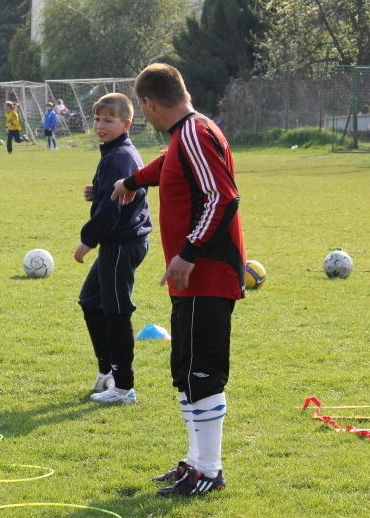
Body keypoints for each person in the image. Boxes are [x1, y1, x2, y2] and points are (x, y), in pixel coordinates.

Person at [111, 63, 246, 496]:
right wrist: (132, 180)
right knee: (186, 373)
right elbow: (169, 165)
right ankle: (195, 462)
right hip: (191, 278)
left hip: (206, 273)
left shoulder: (194, 133)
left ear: (149, 104)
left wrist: (188, 253)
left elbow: (222, 198)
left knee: (202, 373)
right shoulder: (186, 135)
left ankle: (210, 470)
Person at [74, 93, 152, 405]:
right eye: (97, 119)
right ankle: (108, 371)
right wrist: (99, 189)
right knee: (91, 301)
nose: (100, 125)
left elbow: (112, 210)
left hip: (122, 243)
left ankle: (124, 387)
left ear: (126, 124)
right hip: (121, 242)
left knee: (117, 312)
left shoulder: (119, 155)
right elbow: (124, 191)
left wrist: (87, 240)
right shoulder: (117, 153)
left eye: (109, 120)